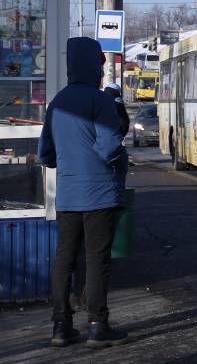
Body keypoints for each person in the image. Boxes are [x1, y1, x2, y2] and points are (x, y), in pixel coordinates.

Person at [38, 37, 129, 348]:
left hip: (67, 196)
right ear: (95, 64)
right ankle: (97, 325)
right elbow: (108, 148)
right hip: (100, 194)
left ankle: (60, 326)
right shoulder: (101, 101)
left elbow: (45, 154)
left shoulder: (57, 102)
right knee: (96, 260)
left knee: (64, 260)